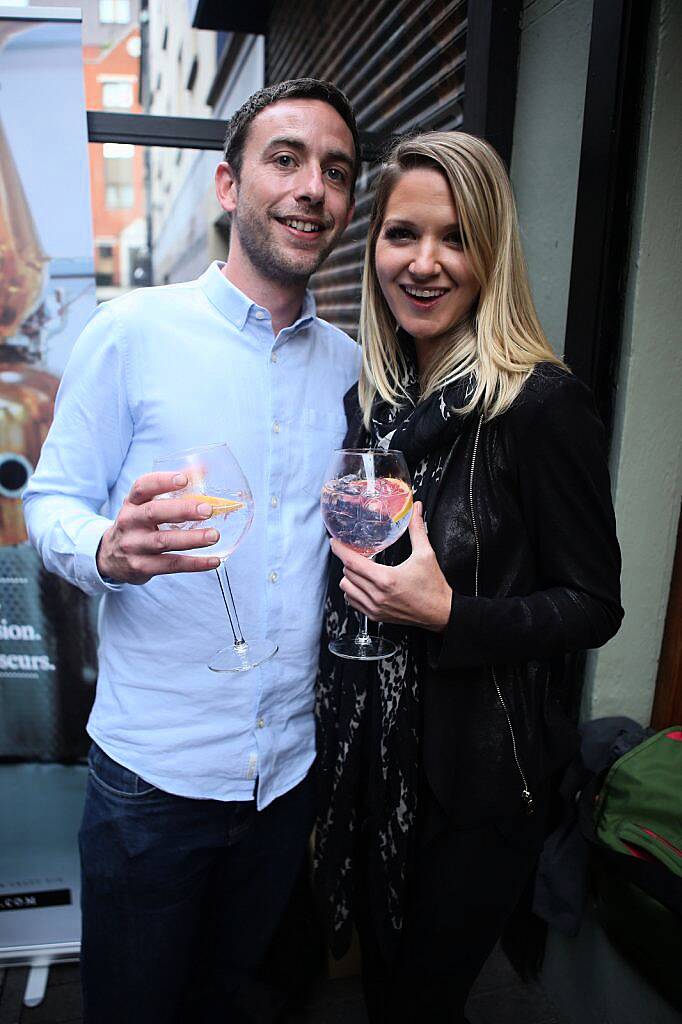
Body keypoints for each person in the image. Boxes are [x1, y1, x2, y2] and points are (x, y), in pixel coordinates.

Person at [23, 78, 361, 1024]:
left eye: (335, 172)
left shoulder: (345, 362)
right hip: (152, 781)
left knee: (229, 1002)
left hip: (283, 775)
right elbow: (50, 502)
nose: (311, 189)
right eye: (285, 160)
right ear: (227, 186)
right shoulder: (133, 330)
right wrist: (107, 550)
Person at [314, 131, 623, 1023]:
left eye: (454, 237)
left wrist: (453, 614)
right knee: (384, 989)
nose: (424, 262)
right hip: (366, 759)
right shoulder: (372, 403)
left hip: (478, 783)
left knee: (419, 1001)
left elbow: (594, 605)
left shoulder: (540, 406)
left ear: (491, 251)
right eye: (402, 234)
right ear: (373, 247)